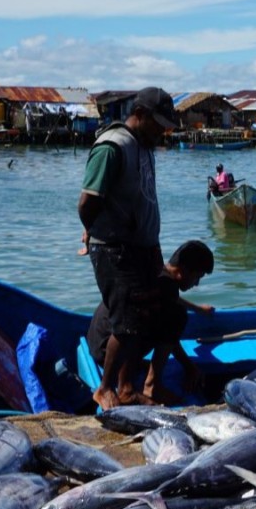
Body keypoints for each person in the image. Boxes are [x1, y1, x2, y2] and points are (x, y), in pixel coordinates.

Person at [78, 86, 177, 410]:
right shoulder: (113, 146)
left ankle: (131, 385)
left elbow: (144, 199)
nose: (163, 132)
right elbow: (88, 201)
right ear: (141, 115)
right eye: (158, 124)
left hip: (142, 248)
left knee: (149, 314)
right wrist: (94, 231)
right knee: (127, 319)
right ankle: (108, 388)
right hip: (115, 249)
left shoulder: (143, 146)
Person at [87, 240, 215, 406]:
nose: (196, 283)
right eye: (197, 276)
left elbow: (172, 299)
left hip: (96, 342)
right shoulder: (166, 289)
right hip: (110, 352)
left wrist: (198, 309)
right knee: (177, 317)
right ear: (182, 271)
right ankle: (149, 386)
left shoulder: (157, 273)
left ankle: (137, 374)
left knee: (169, 315)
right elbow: (169, 334)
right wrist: (189, 366)